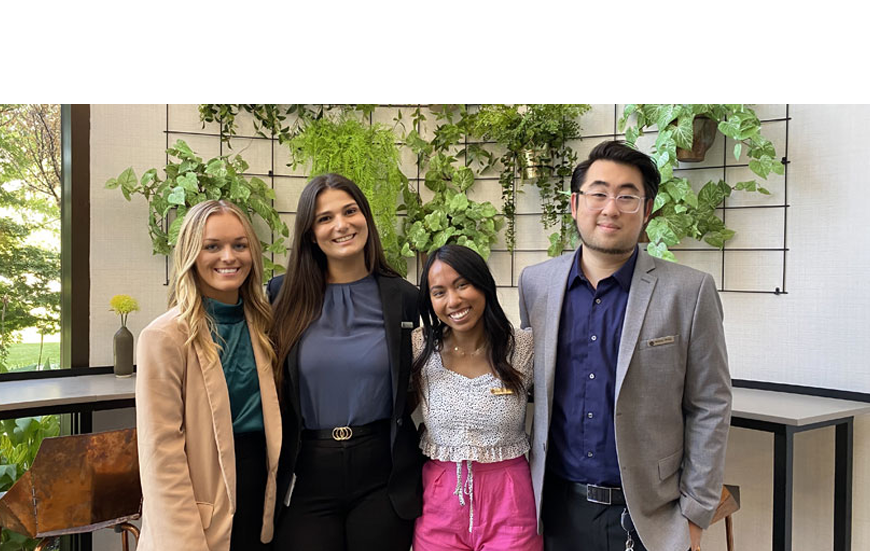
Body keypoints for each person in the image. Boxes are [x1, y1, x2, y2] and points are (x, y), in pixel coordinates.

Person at [518, 141, 732, 551]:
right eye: (598, 193)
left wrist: (695, 514)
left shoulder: (689, 291)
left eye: (627, 196)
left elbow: (711, 403)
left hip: (648, 517)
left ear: (647, 210)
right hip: (555, 509)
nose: (610, 208)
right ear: (575, 204)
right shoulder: (536, 284)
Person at [269, 173, 423, 551]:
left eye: (350, 211)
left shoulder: (405, 297)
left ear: (365, 217)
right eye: (325, 218)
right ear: (310, 233)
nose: (341, 225)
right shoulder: (281, 295)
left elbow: (417, 380)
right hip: (306, 471)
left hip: (382, 473)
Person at [136, 200, 282, 551]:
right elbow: (161, 459)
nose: (229, 257)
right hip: (200, 509)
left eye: (239, 245)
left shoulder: (264, 325)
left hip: (261, 501)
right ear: (191, 254)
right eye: (212, 246)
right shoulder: (164, 337)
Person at [411, 244, 543, 551]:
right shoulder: (419, 346)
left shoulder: (523, 347)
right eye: (439, 292)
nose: (454, 300)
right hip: (439, 501)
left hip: (511, 499)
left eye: (462, 285)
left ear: (483, 284)